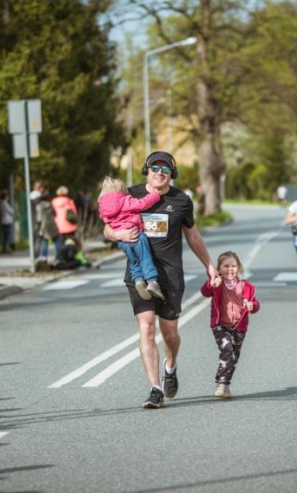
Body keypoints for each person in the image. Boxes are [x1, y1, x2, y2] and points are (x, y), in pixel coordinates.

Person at [104, 151, 217, 409]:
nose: (160, 173)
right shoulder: (129, 194)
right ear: (147, 170)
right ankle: (155, 389)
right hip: (139, 275)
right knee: (146, 327)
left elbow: (193, 237)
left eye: (165, 169)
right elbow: (108, 225)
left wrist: (210, 266)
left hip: (170, 274)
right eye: (155, 167)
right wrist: (117, 233)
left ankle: (171, 365)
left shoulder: (181, 200)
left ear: (172, 174)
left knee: (170, 333)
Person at [200, 251, 260, 399]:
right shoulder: (217, 283)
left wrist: (254, 306)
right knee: (227, 350)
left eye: (233, 266)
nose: (230, 269)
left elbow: (254, 302)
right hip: (220, 325)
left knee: (234, 357)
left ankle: (226, 385)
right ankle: (220, 383)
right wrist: (211, 282)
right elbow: (205, 292)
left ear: (239, 267)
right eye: (226, 266)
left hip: (239, 327)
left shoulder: (245, 286)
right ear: (219, 269)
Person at [98, 176, 164, 301]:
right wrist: (155, 195)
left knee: (134, 261)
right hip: (136, 235)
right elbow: (142, 204)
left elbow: (107, 222)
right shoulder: (125, 200)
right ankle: (152, 282)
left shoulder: (103, 206)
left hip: (122, 240)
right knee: (145, 257)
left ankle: (139, 281)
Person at [36, 190, 62, 263]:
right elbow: (55, 214)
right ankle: (59, 256)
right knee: (57, 240)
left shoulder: (39, 206)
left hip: (44, 225)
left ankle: (44, 257)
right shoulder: (50, 205)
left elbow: (39, 218)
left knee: (44, 241)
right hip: (52, 224)